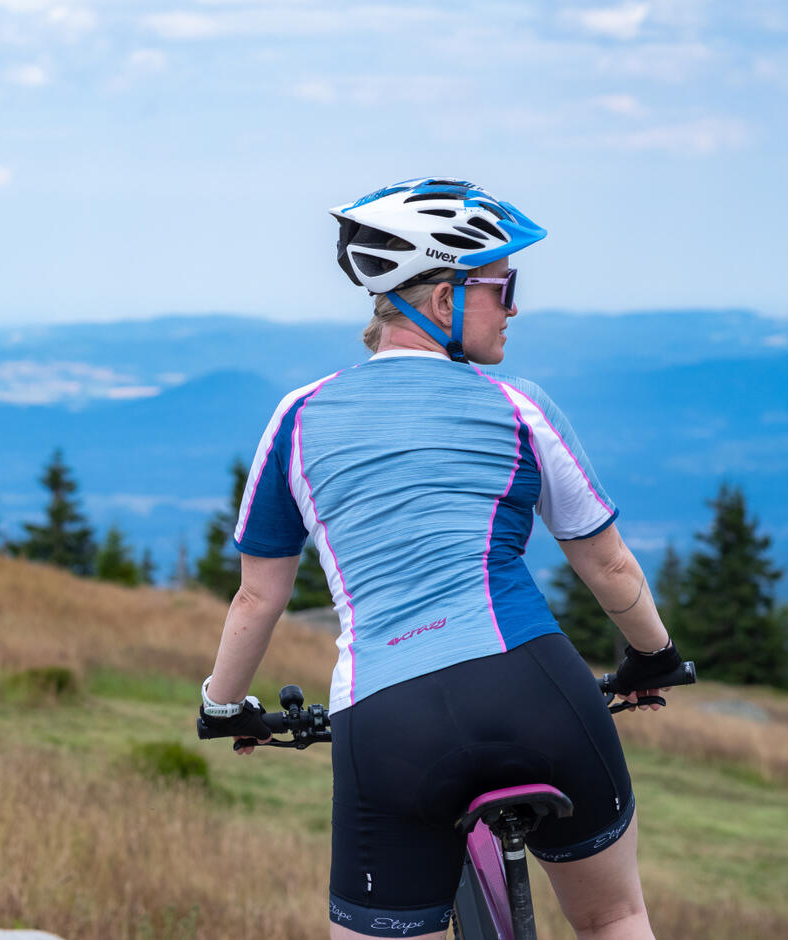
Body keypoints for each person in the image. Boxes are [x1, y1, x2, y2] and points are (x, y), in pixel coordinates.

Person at [196, 178, 681, 940]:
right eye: (501, 286)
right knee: (614, 915)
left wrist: (223, 707)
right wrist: (654, 656)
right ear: (443, 296)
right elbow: (611, 566)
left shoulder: (297, 417)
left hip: (390, 721)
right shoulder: (520, 405)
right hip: (538, 688)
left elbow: (259, 598)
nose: (514, 307)